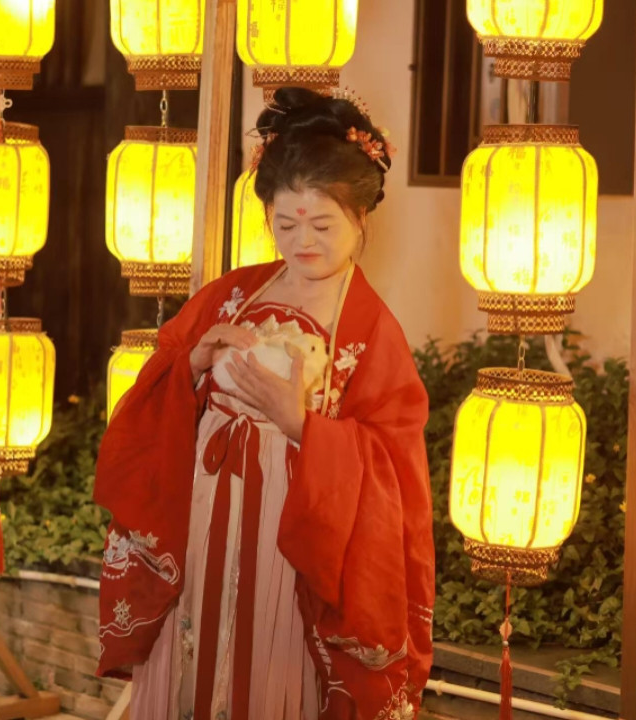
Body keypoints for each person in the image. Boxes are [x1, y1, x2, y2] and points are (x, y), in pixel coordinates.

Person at [94, 86, 435, 720]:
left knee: (269, 660)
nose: (303, 241)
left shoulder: (372, 330)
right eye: (285, 224)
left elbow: (394, 465)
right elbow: (156, 386)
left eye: (323, 225)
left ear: (362, 217)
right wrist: (192, 365)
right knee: (193, 647)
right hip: (203, 513)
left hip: (292, 530)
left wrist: (299, 423)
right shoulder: (231, 293)